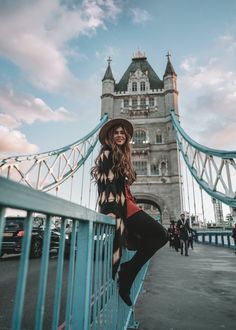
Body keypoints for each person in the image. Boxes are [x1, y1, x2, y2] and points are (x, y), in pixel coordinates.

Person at [91, 118, 168, 306]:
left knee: (157, 236)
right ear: (110, 136)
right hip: (119, 206)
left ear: (126, 137)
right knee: (160, 234)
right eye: (115, 132)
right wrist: (109, 210)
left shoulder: (120, 155)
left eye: (122, 133)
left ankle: (127, 272)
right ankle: (128, 272)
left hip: (127, 203)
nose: (119, 135)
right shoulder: (107, 154)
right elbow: (106, 184)